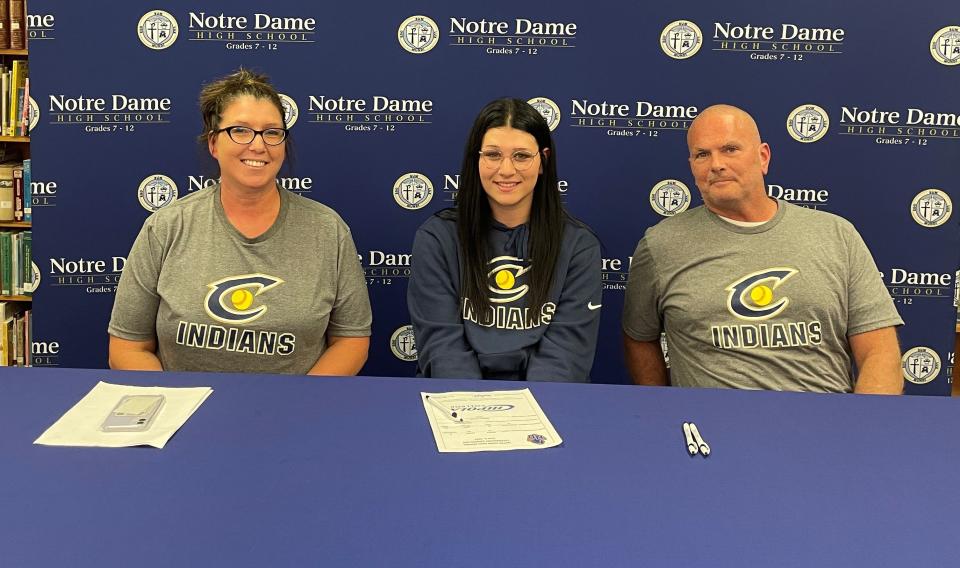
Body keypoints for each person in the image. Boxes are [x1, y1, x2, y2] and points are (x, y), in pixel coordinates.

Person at [622, 104, 903, 394]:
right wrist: (662, 410)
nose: (716, 164)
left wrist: (858, 428)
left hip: (823, 425)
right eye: (702, 154)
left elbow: (879, 352)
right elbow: (639, 338)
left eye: (730, 149)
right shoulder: (660, 245)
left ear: (763, 157)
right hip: (712, 430)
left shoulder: (835, 234)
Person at [108, 69, 372, 375]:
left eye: (272, 132)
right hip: (188, 414)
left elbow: (351, 341)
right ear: (214, 144)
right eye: (241, 131)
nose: (258, 146)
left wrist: (299, 403)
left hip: (292, 414)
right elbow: (127, 348)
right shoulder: (166, 227)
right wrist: (177, 404)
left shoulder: (327, 229)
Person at [408, 98, 602, 381]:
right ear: (477, 159)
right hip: (457, 402)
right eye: (493, 155)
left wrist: (523, 418)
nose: (507, 170)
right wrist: (477, 413)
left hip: (544, 403)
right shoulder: (437, 238)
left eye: (522, 156)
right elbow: (443, 349)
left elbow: (564, 356)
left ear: (542, 161)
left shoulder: (578, 246)